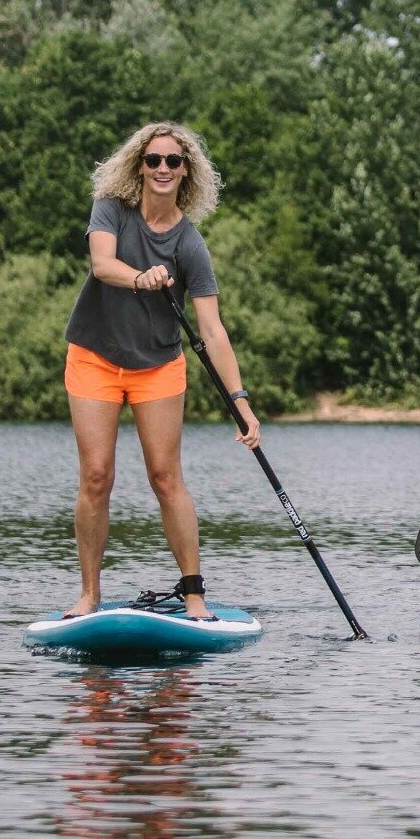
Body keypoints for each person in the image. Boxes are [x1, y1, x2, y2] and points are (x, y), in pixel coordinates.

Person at [63, 122, 260, 619]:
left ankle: (194, 593)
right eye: (154, 160)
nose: (163, 169)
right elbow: (102, 265)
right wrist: (141, 277)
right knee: (96, 475)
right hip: (94, 357)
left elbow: (212, 331)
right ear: (140, 165)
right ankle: (89, 594)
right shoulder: (111, 208)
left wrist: (240, 401)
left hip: (158, 367)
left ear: (186, 170)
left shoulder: (189, 244)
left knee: (165, 476)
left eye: (174, 161)